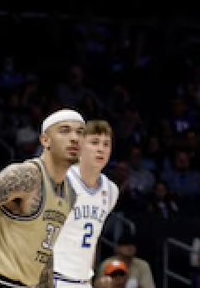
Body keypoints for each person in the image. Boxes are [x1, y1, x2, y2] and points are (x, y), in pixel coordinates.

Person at [0, 109, 84, 288]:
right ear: (45, 140)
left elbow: (44, 252)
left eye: (80, 132)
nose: (74, 138)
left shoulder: (70, 194)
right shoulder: (26, 176)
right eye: (65, 130)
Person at [54, 120, 120, 288]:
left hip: (83, 281)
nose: (101, 149)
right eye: (94, 142)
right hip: (53, 277)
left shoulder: (111, 191)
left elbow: (92, 239)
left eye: (106, 144)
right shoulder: (61, 180)